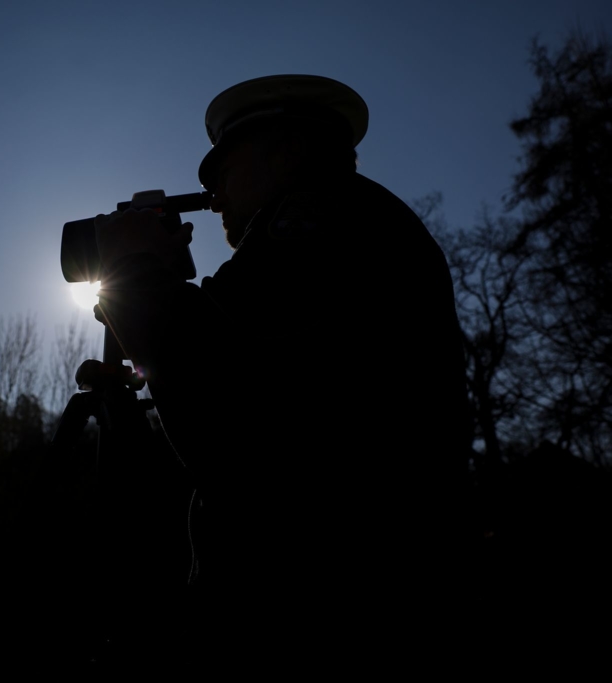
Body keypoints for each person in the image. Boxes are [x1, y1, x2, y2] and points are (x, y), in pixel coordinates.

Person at [93, 75, 470, 664]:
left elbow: (231, 411)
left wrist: (136, 274)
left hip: (310, 615)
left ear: (291, 150)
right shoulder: (361, 226)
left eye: (222, 169)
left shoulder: (317, 215)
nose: (213, 192)